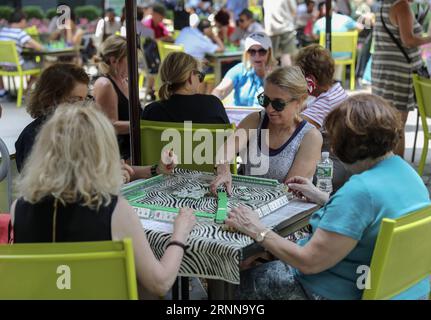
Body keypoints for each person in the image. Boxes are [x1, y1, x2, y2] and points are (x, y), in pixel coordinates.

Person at [227, 94, 430, 300]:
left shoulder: (360, 192)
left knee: (231, 285)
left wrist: (257, 230)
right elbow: (371, 217)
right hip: (401, 290)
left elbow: (308, 262)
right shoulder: (408, 173)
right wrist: (323, 197)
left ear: (347, 145)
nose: (332, 148)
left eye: (334, 140)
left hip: (333, 290)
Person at [11, 103, 196, 298]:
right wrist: (180, 233)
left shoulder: (19, 208)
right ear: (102, 151)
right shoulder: (114, 211)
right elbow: (160, 283)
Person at [211, 66, 322, 193]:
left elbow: (290, 191)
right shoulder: (255, 120)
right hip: (246, 202)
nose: (269, 109)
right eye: (265, 100)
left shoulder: (310, 137)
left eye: (278, 104)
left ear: (299, 101)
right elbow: (226, 150)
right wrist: (223, 168)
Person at [372, 0, 431, 158]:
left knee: (387, 123)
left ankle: (385, 165)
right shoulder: (401, 6)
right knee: (397, 126)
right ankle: (395, 169)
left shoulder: (384, 4)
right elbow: (409, 40)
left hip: (383, 68)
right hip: (397, 72)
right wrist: (429, 38)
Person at [294, 44, 350, 192]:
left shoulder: (326, 102)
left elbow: (291, 128)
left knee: (288, 175)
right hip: (344, 163)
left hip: (332, 169)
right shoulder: (335, 91)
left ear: (310, 80)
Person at [142, 52, 229, 124]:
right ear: (191, 77)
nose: (200, 81)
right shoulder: (213, 106)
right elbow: (229, 140)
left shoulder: (152, 111)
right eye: (200, 76)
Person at [93, 35, 132, 161]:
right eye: (130, 58)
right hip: (120, 158)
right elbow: (110, 125)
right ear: (114, 60)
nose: (134, 62)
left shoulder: (124, 81)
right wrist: (141, 125)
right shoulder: (105, 84)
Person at [212, 32, 275, 107]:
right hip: (240, 117)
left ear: (269, 52)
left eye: (262, 51)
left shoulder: (277, 74)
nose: (257, 55)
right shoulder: (239, 69)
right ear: (246, 53)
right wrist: (212, 102)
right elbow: (221, 91)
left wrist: (269, 80)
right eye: (252, 51)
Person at [0, 11, 43, 98]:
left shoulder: (2, 31)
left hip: (2, 66)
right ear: (22, 21)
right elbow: (39, 47)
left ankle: (3, 90)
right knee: (40, 66)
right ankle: (25, 92)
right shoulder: (20, 33)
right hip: (17, 67)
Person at [263, 0, 298, 66]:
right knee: (287, 55)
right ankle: (287, 75)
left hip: (271, 30)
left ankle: (270, 74)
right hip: (286, 28)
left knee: (271, 57)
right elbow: (294, 9)